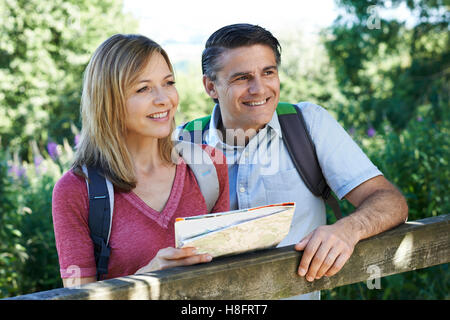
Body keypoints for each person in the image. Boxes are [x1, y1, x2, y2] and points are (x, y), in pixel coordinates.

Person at [179, 23, 408, 299]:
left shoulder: (308, 125)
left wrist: (348, 229)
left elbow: (390, 201)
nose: (259, 88)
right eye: (242, 78)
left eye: (268, 72)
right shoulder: (186, 142)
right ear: (210, 86)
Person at [52, 34, 229, 288]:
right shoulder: (76, 191)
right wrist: (147, 277)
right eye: (143, 88)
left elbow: (227, 276)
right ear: (109, 101)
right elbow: (79, 297)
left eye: (168, 82)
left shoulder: (209, 166)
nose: (164, 99)